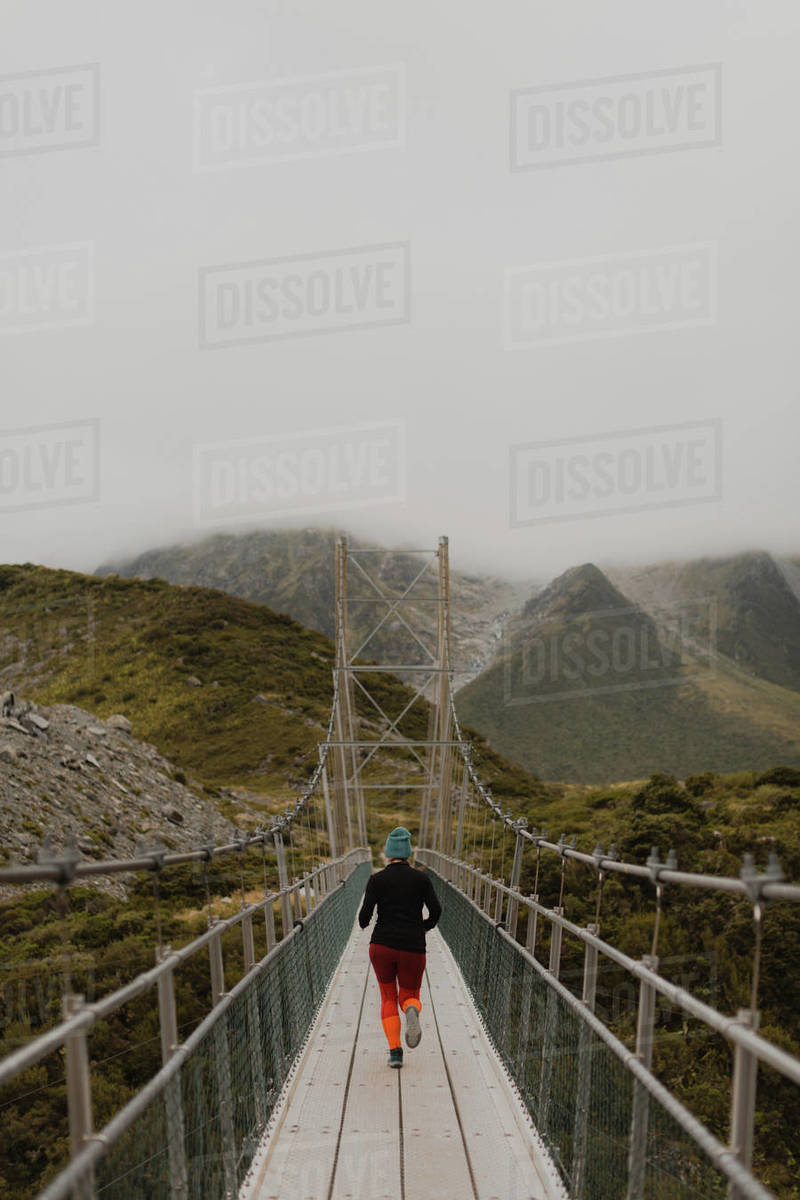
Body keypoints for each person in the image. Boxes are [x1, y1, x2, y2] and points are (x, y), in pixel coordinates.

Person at [358, 826, 442, 1069]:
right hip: (412, 946)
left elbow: (364, 917)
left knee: (387, 998)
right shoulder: (421, 879)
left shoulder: (377, 879)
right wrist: (425, 926)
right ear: (408, 854)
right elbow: (436, 910)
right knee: (409, 995)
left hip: (381, 945)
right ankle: (412, 1009)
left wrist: (366, 924)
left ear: (387, 854)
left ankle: (395, 1052)